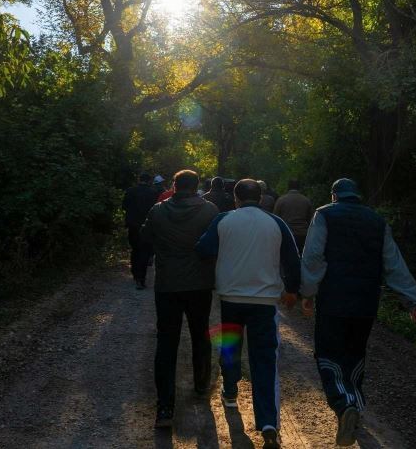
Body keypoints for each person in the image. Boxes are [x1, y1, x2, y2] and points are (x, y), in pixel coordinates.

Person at [300, 178, 416, 447]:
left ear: (334, 195)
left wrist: (308, 292)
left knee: (328, 352)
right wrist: (414, 301)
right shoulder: (377, 221)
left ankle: (343, 403)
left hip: (334, 300)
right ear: (356, 196)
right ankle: (355, 404)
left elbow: (313, 256)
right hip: (366, 302)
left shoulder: (324, 215)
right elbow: (394, 264)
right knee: (354, 352)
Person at [196, 179, 300, 449]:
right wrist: (292, 290)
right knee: (264, 358)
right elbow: (292, 259)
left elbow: (203, 249)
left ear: (235, 198)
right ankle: (267, 423)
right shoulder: (276, 223)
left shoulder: (223, 220)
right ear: (262, 196)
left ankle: (230, 392)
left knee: (230, 347)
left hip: (231, 297)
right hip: (264, 302)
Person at [140, 170, 219, 429]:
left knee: (166, 342)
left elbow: (145, 239)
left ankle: (165, 408)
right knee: (200, 334)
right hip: (199, 284)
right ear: (196, 186)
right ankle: (200, 385)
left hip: (167, 285)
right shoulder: (209, 211)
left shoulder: (158, 211)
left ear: (174, 186)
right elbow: (215, 244)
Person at [122, 173, 159, 289]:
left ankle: (134, 273)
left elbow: (124, 206)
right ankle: (141, 278)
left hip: (133, 225)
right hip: (147, 226)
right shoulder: (153, 192)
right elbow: (156, 209)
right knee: (144, 251)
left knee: (135, 249)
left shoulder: (130, 191)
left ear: (139, 179)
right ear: (149, 181)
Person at [273, 180, 314, 251]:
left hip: (286, 234)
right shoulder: (306, 200)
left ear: (288, 187)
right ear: (299, 187)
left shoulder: (281, 200)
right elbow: (311, 219)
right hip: (303, 234)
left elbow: (275, 218)